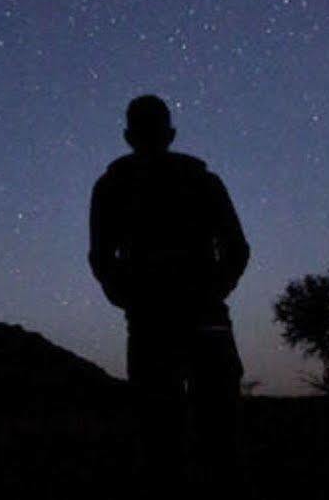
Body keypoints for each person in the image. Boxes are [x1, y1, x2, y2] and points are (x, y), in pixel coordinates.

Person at [89, 94, 249, 489]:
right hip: (185, 313)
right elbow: (237, 248)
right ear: (170, 132)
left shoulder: (113, 186)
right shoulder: (199, 181)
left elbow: (100, 257)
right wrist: (214, 290)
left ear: (128, 135)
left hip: (161, 316)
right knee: (208, 422)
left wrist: (127, 296)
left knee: (166, 425)